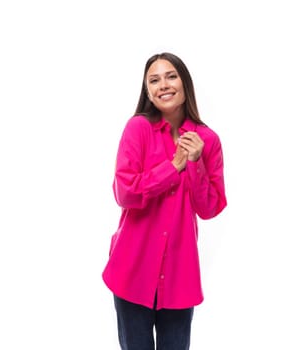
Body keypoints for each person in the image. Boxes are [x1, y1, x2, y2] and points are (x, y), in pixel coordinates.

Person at [102, 52, 227, 350]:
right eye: (154, 80)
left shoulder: (206, 140)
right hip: (132, 270)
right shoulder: (138, 129)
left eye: (171, 76)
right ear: (147, 91)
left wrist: (195, 163)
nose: (164, 85)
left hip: (178, 278)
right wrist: (173, 167)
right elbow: (125, 193)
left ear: (185, 84)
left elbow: (209, 208)